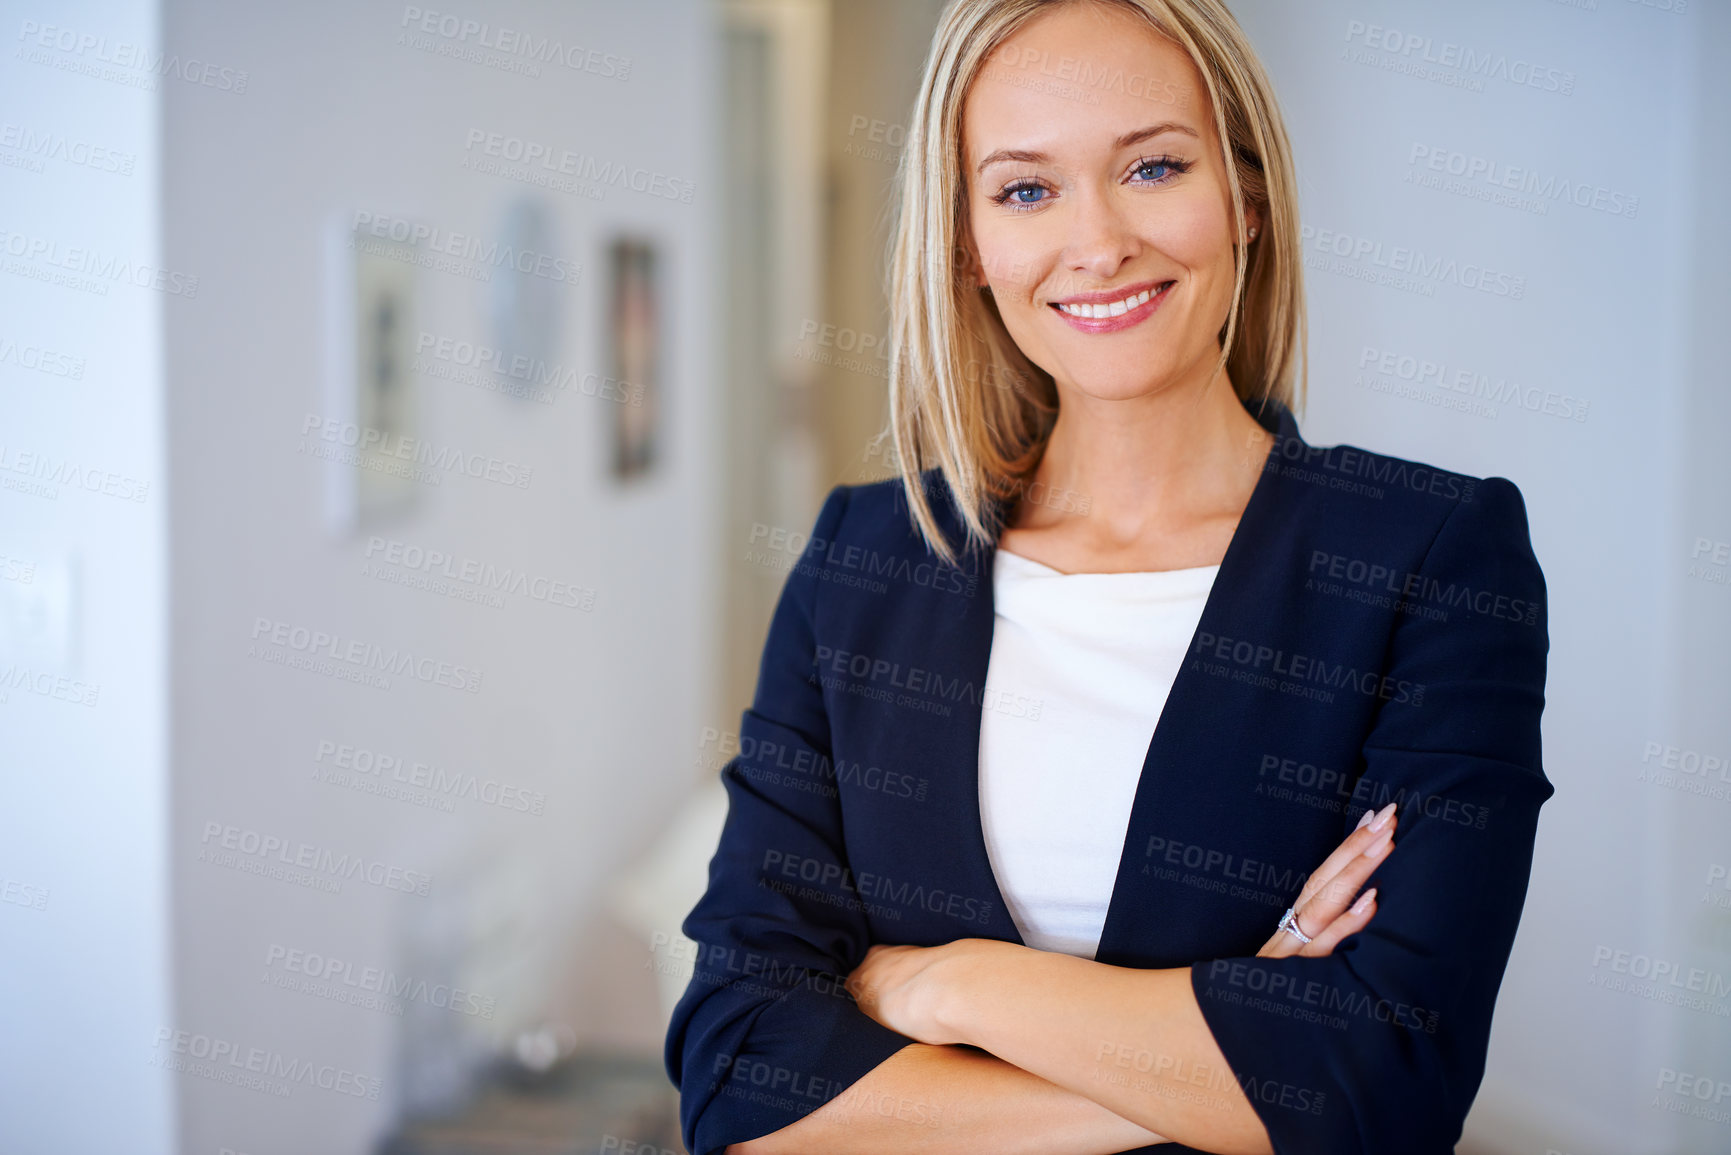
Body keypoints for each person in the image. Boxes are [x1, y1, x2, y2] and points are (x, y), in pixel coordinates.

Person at [665, 1, 1552, 1152]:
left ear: (1245, 195)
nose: (1097, 242)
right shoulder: (865, 559)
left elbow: (1381, 1085)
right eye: (1026, 189)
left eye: (1153, 166)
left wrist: (951, 989)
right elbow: (737, 1075)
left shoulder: (1430, 557)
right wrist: (1215, 1056)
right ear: (970, 243)